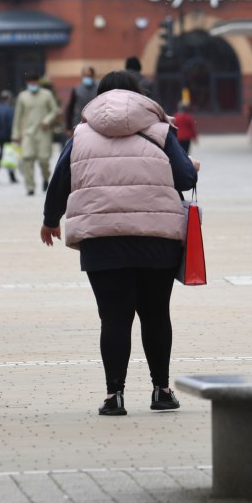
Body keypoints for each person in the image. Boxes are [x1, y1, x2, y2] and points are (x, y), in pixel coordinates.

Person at [40, 70, 199, 417]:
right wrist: (188, 166)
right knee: (156, 314)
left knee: (114, 318)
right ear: (139, 96)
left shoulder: (80, 134)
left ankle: (115, 396)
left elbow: (61, 180)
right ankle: (161, 390)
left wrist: (51, 220)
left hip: (102, 240)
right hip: (157, 239)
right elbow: (186, 178)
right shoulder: (161, 130)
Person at [12, 71, 59, 196]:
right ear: (27, 83)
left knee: (44, 160)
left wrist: (47, 120)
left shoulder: (47, 95)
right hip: (28, 133)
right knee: (27, 159)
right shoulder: (22, 96)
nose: (33, 84)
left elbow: (55, 110)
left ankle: (45, 178)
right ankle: (30, 187)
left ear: (38, 82)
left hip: (44, 133)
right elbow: (18, 116)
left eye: (35, 82)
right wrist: (16, 135)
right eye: (30, 82)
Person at [0, 89, 17, 184]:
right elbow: (11, 124)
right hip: (7, 136)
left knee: (2, 155)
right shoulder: (10, 109)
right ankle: (12, 177)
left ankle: (11, 177)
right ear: (8, 98)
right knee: (9, 156)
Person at [64, 66, 98, 134]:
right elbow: (70, 108)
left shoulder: (98, 89)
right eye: (85, 75)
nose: (87, 77)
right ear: (82, 76)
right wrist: (68, 127)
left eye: (89, 75)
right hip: (79, 124)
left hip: (95, 124)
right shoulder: (76, 89)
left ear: (93, 76)